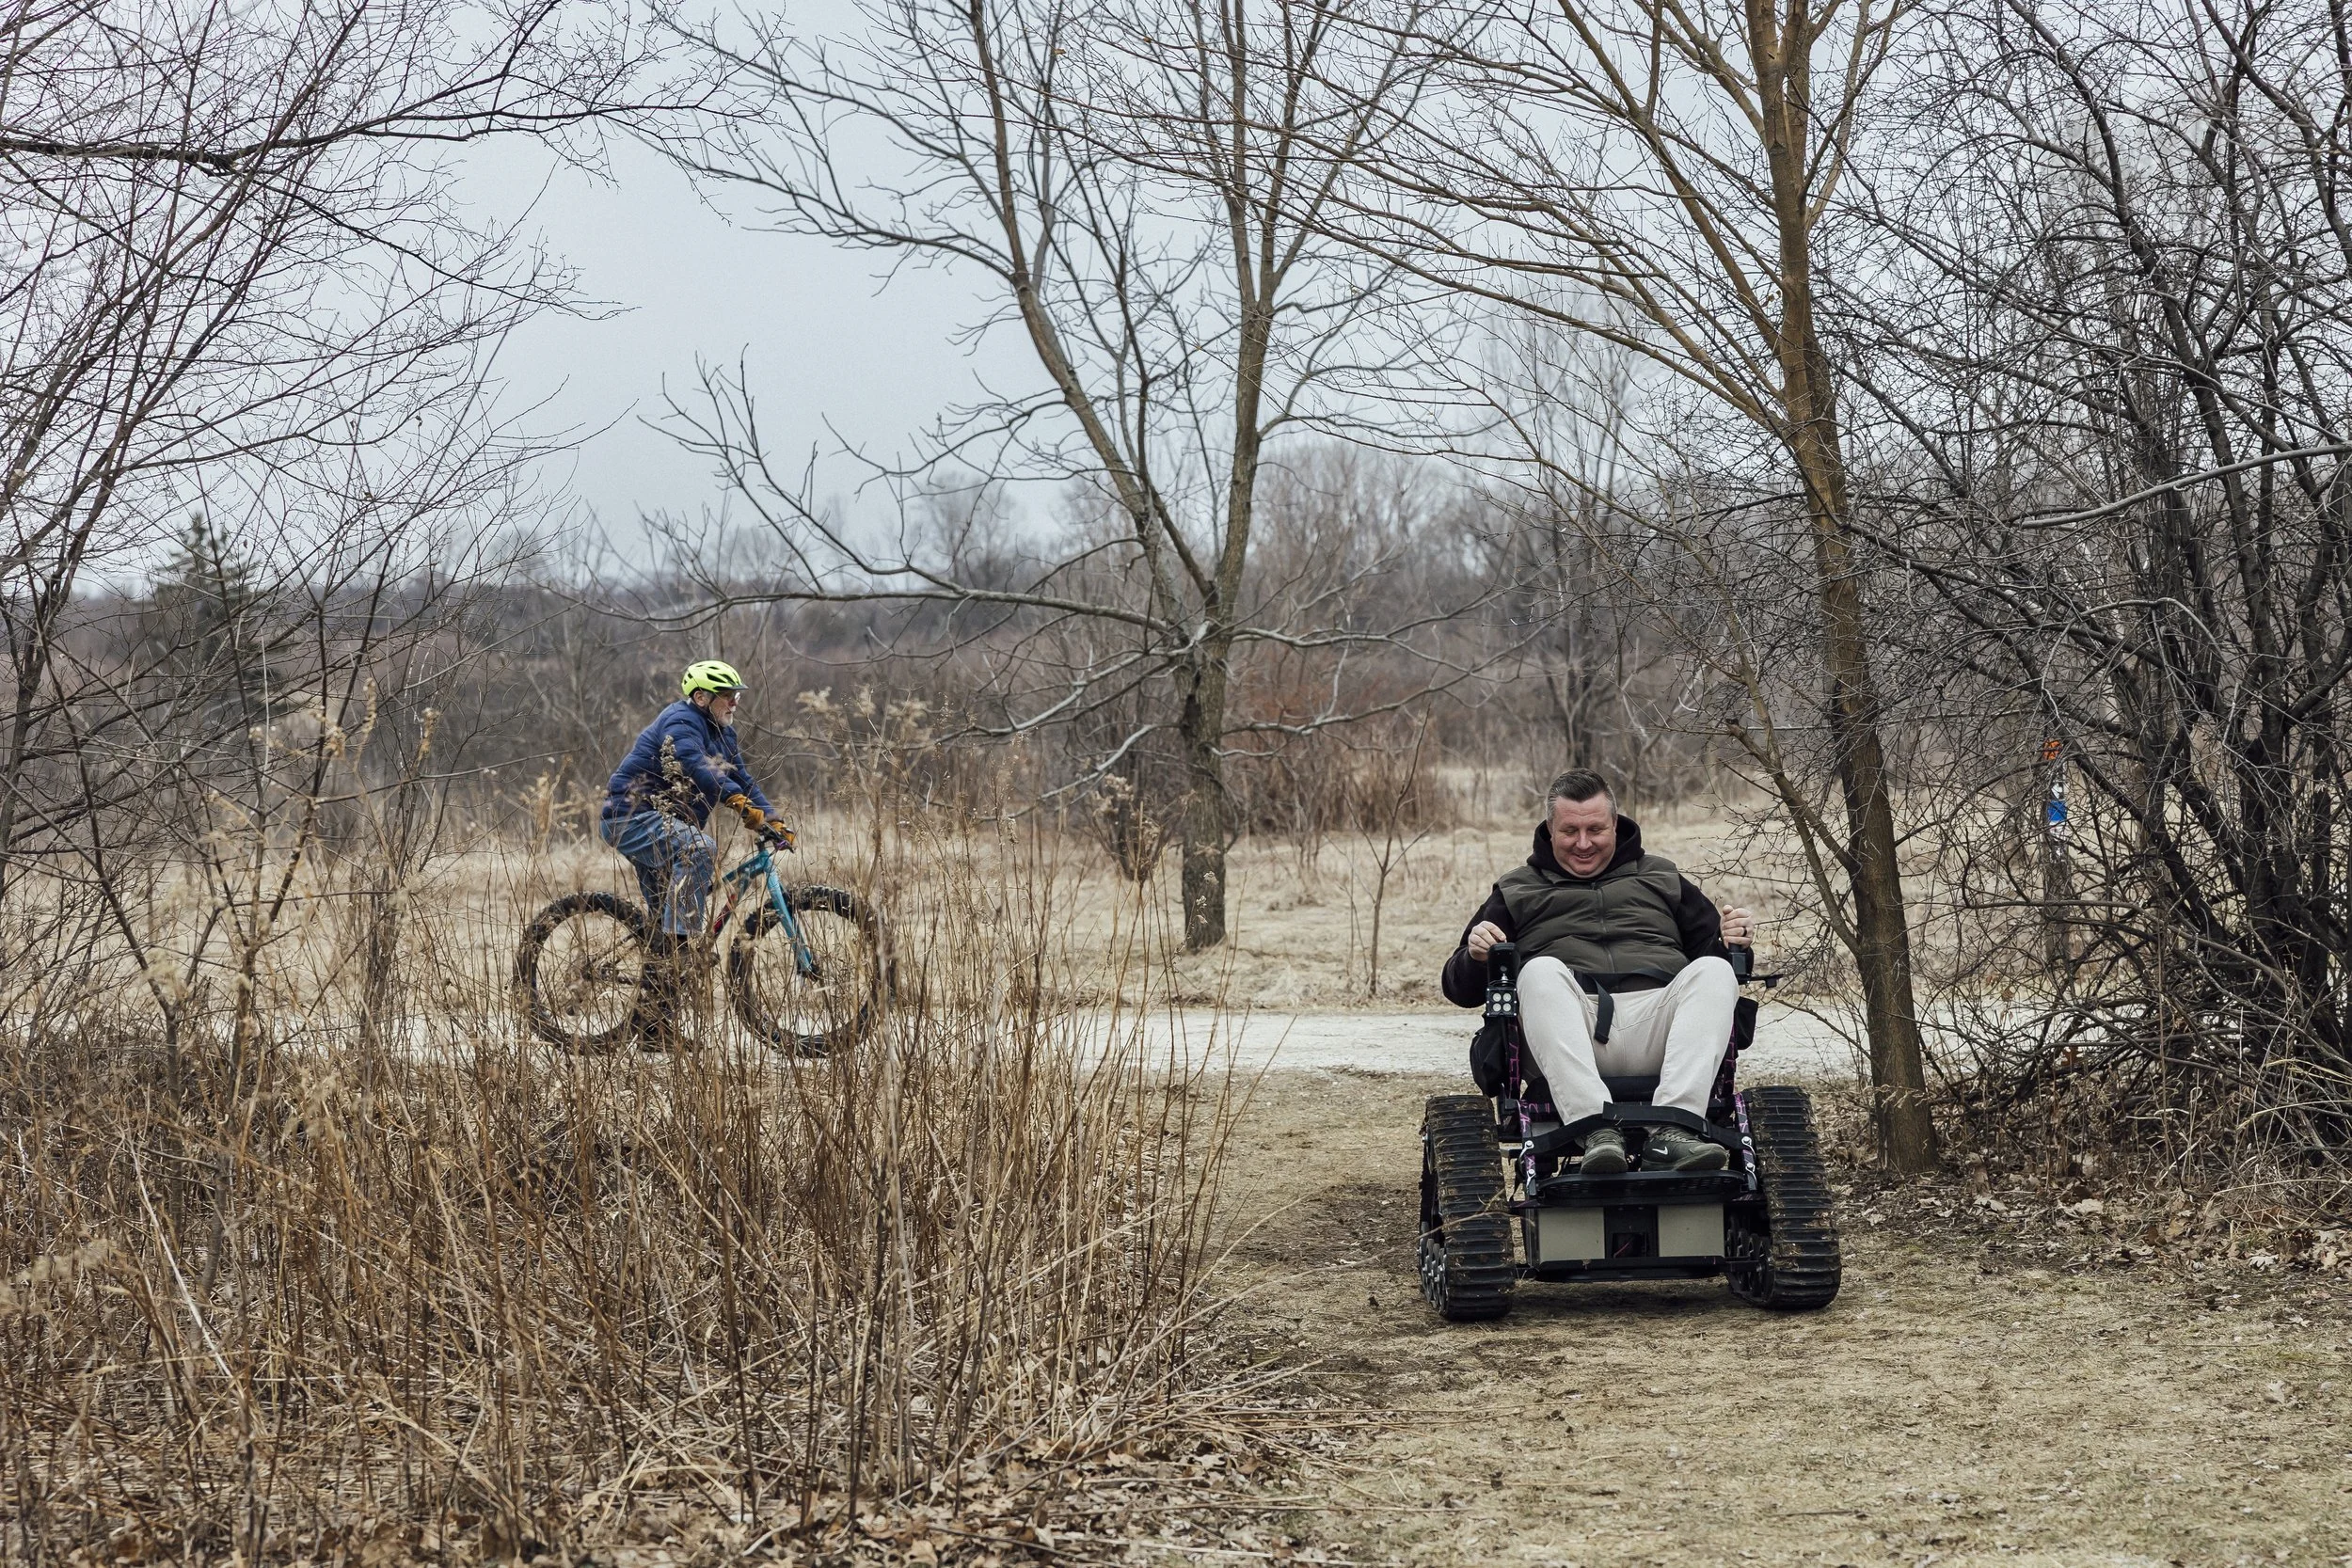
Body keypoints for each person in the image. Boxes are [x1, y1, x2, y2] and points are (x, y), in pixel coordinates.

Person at [1440, 768, 1756, 1173]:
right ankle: (1595, 1130)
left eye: (1595, 829)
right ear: (1550, 830)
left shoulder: (1661, 877)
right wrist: (1476, 956)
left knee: (1714, 971)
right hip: (1569, 1027)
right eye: (1570, 831)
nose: (1584, 844)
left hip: (1657, 1024)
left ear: (1615, 825)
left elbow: (1716, 963)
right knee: (1538, 971)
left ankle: (1674, 1131)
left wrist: (1732, 940)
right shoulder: (1516, 890)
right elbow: (1458, 988)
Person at [599, 660, 784, 1039]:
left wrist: (772, 819)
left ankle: (654, 1029)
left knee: (661, 934)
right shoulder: (681, 722)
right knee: (701, 849)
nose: (734, 702)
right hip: (631, 818)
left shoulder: (723, 734)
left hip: (663, 824)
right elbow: (697, 766)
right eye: (727, 696)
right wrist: (737, 803)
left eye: (737, 696)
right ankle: (683, 944)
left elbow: (743, 779)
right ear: (701, 697)